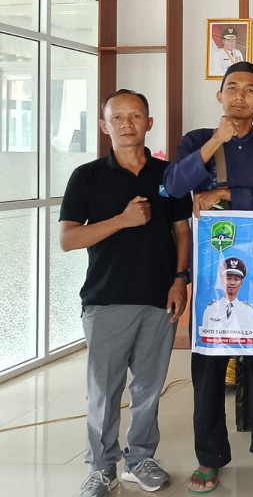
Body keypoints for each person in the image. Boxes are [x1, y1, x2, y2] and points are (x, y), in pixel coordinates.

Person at [163, 61, 253, 494]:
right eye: (232, 87)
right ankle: (209, 457)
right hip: (211, 270)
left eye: (250, 90)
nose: (240, 96)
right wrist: (216, 140)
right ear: (219, 95)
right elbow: (174, 186)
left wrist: (222, 193)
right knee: (208, 367)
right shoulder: (197, 140)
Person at [60, 89, 192, 497]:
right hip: (106, 298)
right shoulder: (86, 176)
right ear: (104, 126)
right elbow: (68, 239)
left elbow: (182, 231)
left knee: (148, 388)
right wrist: (122, 219)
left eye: (135, 116)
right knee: (104, 390)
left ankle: (140, 459)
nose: (126, 124)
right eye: (117, 117)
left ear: (149, 122)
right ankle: (102, 468)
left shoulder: (169, 175)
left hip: (159, 297)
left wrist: (180, 279)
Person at [199, 258, 253, 336]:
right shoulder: (211, 309)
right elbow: (205, 336)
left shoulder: (249, 311)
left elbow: (252, 338)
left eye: (236, 279)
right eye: (228, 279)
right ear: (222, 282)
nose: (232, 283)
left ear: (241, 283)